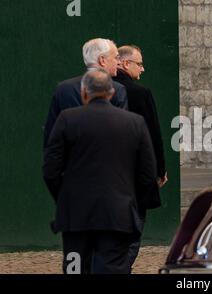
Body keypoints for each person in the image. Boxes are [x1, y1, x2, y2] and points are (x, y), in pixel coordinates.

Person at [42, 69, 157, 274]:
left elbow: (51, 169)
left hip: (75, 217)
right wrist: (128, 200)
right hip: (117, 215)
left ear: (84, 92)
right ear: (112, 93)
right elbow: (147, 174)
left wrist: (65, 197)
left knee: (75, 268)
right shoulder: (134, 123)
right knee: (112, 267)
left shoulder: (67, 119)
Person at [113, 45, 166, 269]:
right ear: (125, 63)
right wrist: (159, 171)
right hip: (135, 175)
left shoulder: (101, 90)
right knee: (133, 233)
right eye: (139, 63)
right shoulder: (140, 94)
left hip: (108, 176)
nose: (142, 69)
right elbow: (153, 135)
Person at [43, 38, 128, 147]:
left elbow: (51, 135)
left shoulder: (63, 88)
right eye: (116, 57)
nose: (119, 62)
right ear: (102, 60)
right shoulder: (117, 89)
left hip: (72, 161)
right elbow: (122, 133)